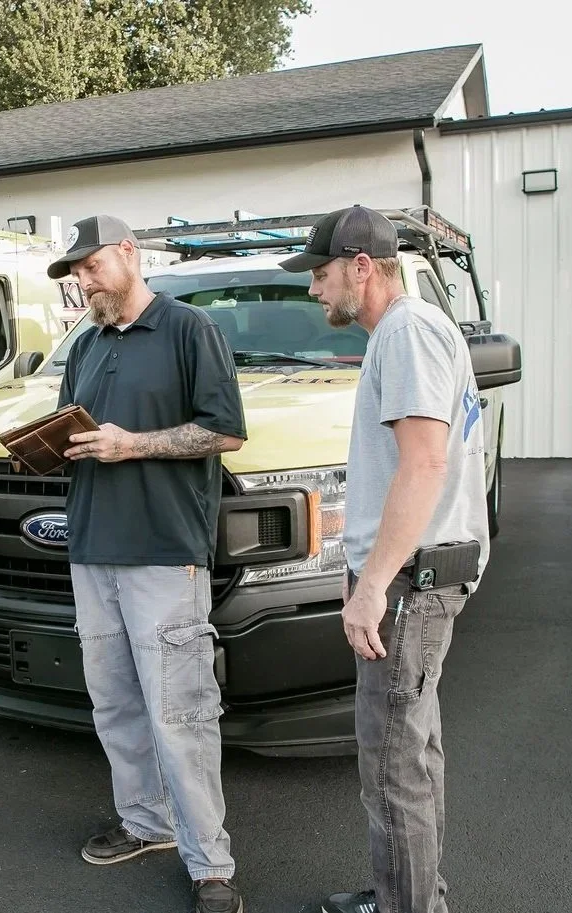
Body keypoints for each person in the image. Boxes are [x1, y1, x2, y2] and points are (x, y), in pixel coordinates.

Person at [281, 205, 490, 913]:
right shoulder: (413, 330)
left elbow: (425, 462)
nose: (313, 290)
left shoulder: (405, 331)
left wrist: (370, 585)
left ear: (360, 266)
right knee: (411, 753)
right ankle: (412, 893)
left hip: (409, 581)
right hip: (419, 574)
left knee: (391, 764)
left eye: (319, 273)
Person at [47, 215, 248, 913]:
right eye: (74, 272)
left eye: (90, 265)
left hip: (163, 551)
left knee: (179, 712)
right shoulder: (87, 342)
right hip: (91, 548)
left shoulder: (190, 330)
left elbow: (223, 429)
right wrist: (49, 446)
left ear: (129, 253)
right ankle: (145, 822)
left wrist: (132, 445)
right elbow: (76, 428)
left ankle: (210, 865)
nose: (82, 279)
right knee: (115, 703)